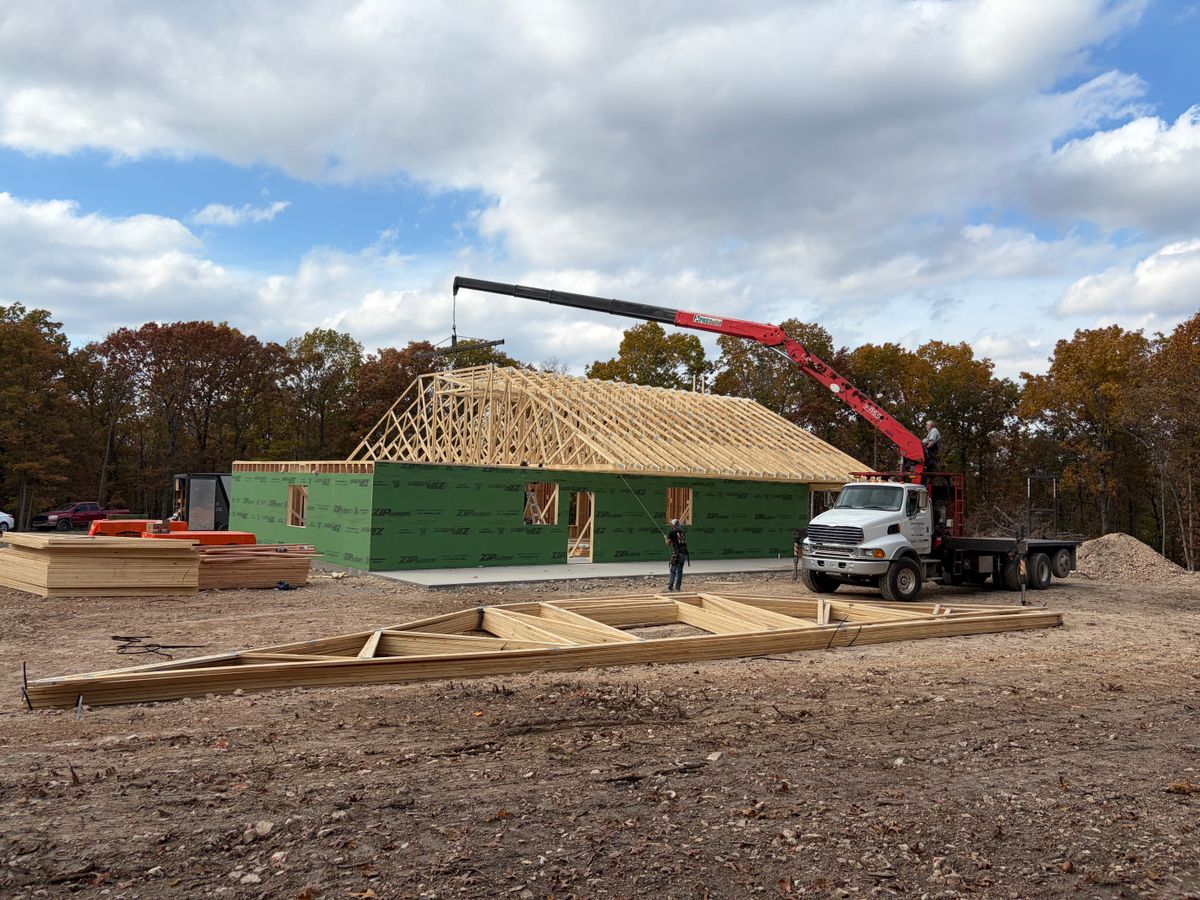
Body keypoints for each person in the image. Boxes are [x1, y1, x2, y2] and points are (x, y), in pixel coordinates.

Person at [665, 518, 688, 592]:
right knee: (680, 571)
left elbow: (668, 544)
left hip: (677, 554)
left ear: (673, 525)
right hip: (684, 553)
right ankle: (678, 588)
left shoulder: (672, 532)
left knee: (673, 571)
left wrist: (666, 538)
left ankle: (670, 588)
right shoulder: (682, 531)